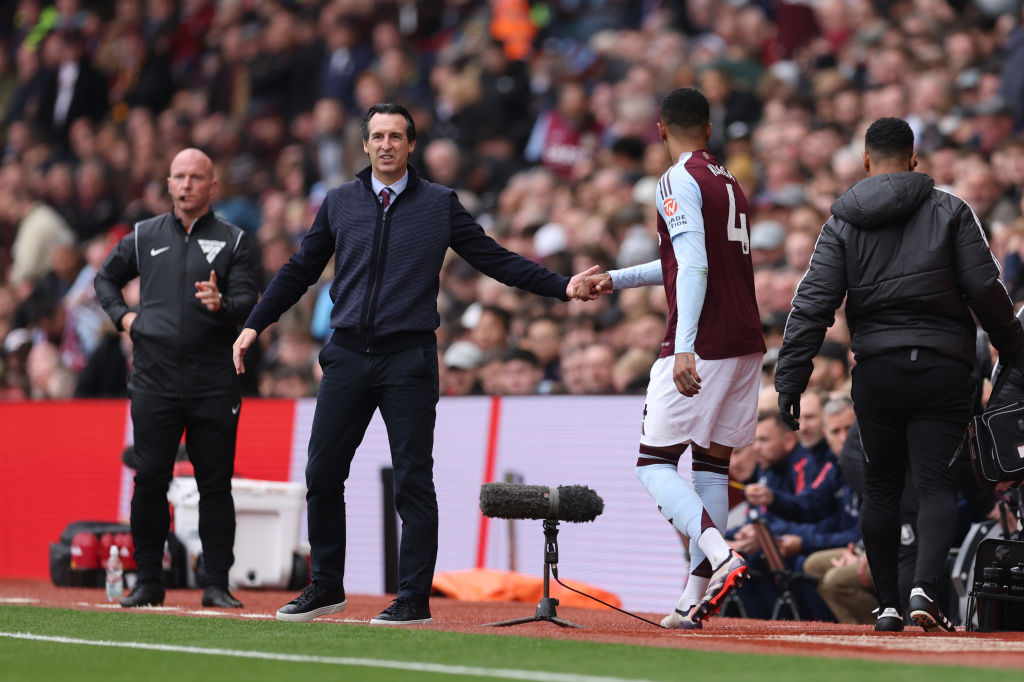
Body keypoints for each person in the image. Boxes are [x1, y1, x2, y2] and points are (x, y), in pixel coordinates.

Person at [232, 103, 600, 625]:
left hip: (408, 358)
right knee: (322, 473)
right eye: (378, 136)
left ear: (411, 145)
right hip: (346, 355)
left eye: (396, 136)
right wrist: (255, 323)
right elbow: (299, 270)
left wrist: (561, 286)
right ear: (365, 144)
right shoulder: (339, 202)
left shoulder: (439, 203)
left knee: (413, 480)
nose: (386, 145)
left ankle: (413, 600)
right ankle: (326, 587)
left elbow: (494, 258)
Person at [774, 117, 1024, 633]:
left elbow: (812, 305)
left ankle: (886, 605)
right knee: (935, 484)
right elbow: (987, 291)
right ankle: (924, 591)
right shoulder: (951, 210)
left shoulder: (841, 223)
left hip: (878, 371)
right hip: (942, 368)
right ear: (914, 159)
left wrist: (790, 378)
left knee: (882, 488)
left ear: (866, 161)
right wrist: (1016, 349)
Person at [583, 88, 765, 628]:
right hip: (745, 338)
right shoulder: (729, 181)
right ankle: (692, 600)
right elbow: (680, 260)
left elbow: (694, 266)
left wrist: (685, 344)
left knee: (654, 463)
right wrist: (615, 279)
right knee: (711, 464)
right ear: (708, 129)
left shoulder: (676, 178)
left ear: (660, 129)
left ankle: (722, 554)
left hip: (702, 340)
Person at [94, 148, 259, 609]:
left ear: (213, 187)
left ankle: (216, 584)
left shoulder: (234, 240)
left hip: (213, 382)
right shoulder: (144, 235)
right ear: (168, 184)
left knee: (215, 484)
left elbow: (249, 301)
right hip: (154, 379)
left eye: (196, 177)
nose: (186, 185)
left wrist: (222, 305)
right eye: (179, 177)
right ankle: (148, 581)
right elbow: (105, 279)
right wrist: (125, 319)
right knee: (150, 481)